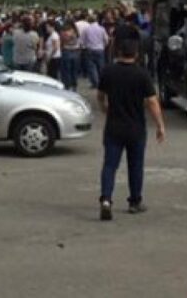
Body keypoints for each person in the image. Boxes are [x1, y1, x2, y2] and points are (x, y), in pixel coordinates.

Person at [97, 38, 166, 221]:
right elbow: (152, 101)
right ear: (136, 54)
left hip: (114, 126)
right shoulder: (142, 75)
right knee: (135, 165)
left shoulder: (108, 71)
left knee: (110, 165)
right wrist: (160, 124)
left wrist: (105, 109)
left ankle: (106, 199)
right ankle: (134, 201)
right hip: (135, 127)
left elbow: (100, 96)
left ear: (118, 53)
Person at [81, 14, 109, 89]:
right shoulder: (101, 28)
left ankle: (95, 83)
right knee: (101, 66)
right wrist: (104, 46)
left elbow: (82, 41)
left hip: (90, 49)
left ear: (89, 20)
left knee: (91, 67)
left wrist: (85, 46)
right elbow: (106, 39)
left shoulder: (86, 29)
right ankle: (103, 82)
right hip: (100, 49)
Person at [59, 22, 81, 91]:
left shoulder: (64, 32)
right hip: (76, 52)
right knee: (74, 70)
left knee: (67, 70)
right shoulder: (76, 32)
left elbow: (62, 41)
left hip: (67, 51)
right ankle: (74, 86)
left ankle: (68, 86)